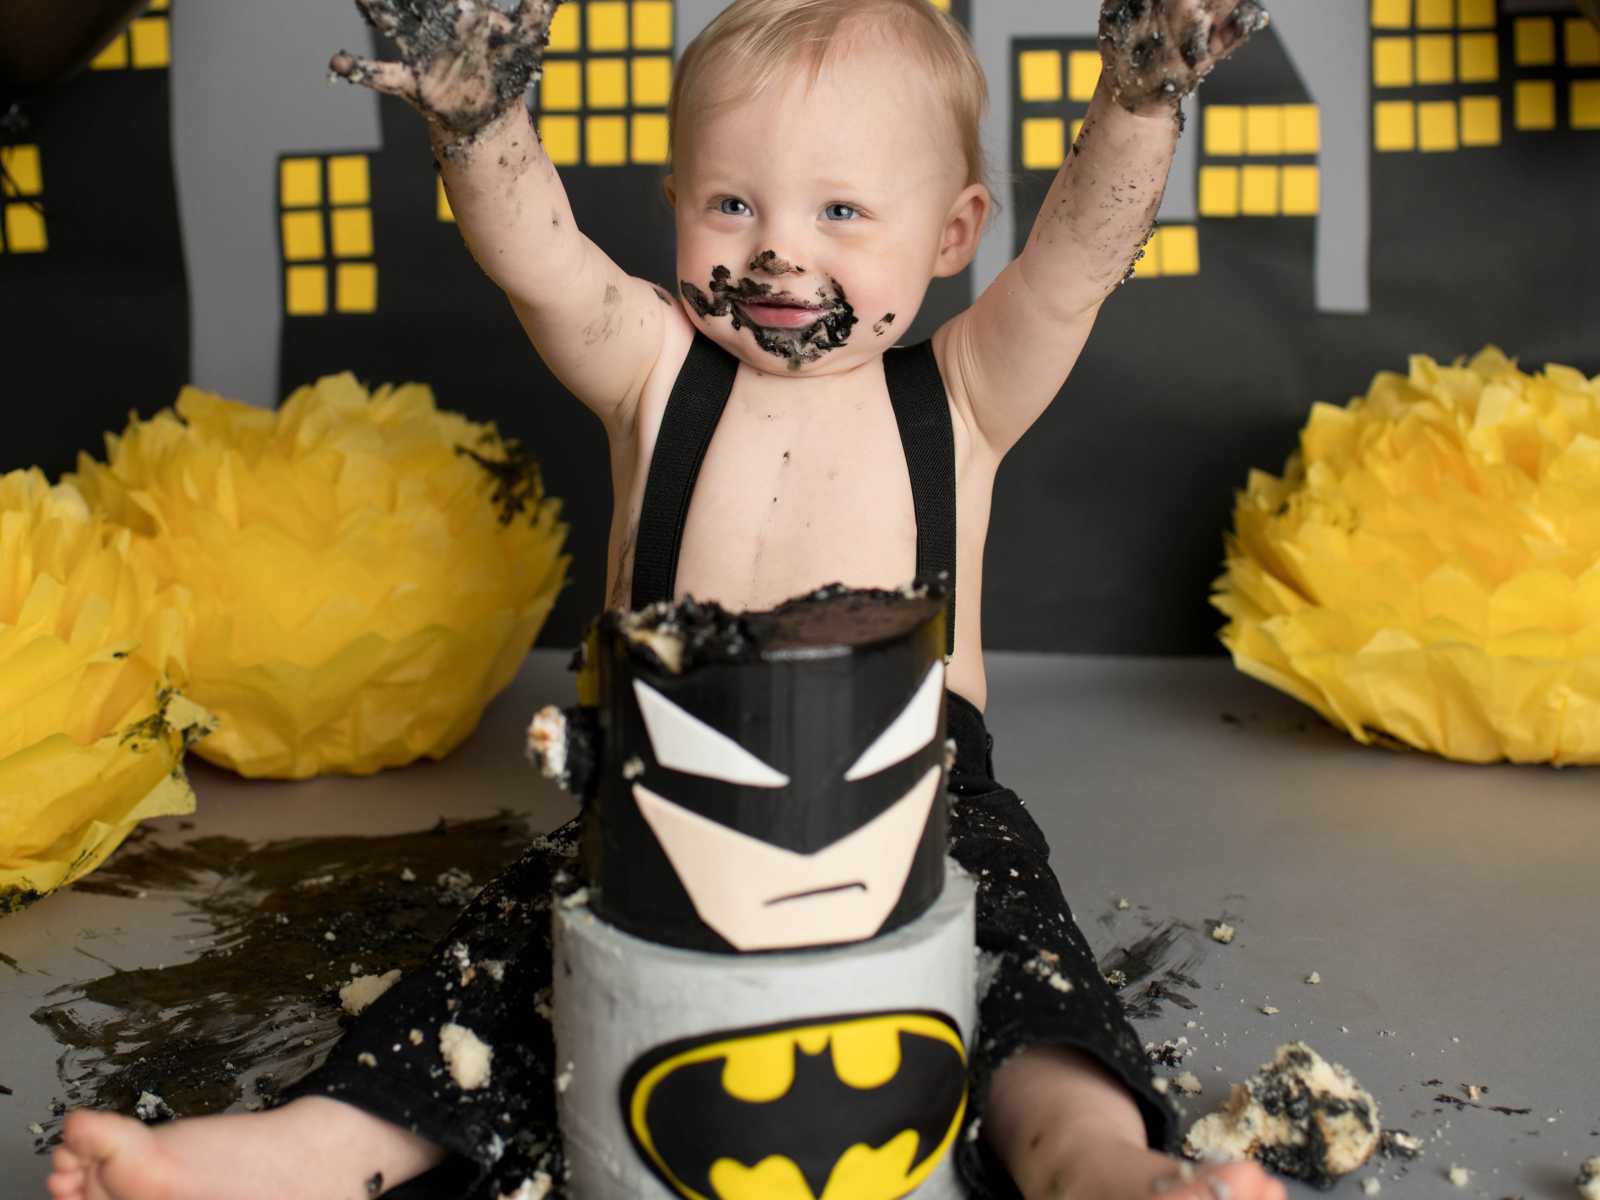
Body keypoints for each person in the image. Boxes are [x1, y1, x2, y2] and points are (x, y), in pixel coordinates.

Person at [48, 2, 1284, 1198]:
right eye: (731, 204)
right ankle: (309, 1155)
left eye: (843, 211)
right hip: (657, 792)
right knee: (492, 984)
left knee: (1032, 990)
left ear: (954, 232)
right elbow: (538, 262)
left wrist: (1141, 94)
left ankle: (1096, 1167)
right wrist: (481, 125)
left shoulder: (960, 398)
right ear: (676, 211)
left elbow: (1073, 267)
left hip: (920, 793)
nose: (780, 251)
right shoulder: (654, 370)